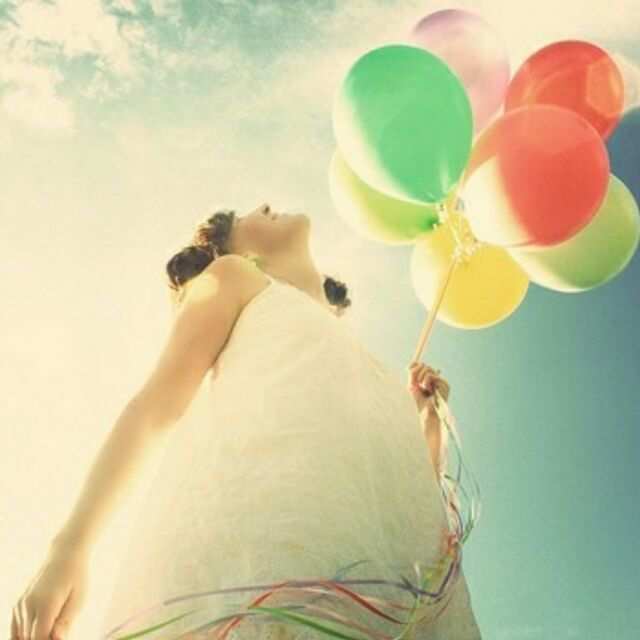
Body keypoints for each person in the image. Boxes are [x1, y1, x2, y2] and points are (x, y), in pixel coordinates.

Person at [9, 203, 482, 639]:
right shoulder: (237, 278)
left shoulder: (369, 364)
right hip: (265, 569)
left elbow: (399, 502)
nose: (265, 206)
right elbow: (155, 408)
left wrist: (426, 426)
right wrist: (69, 547)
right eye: (243, 217)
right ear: (241, 254)